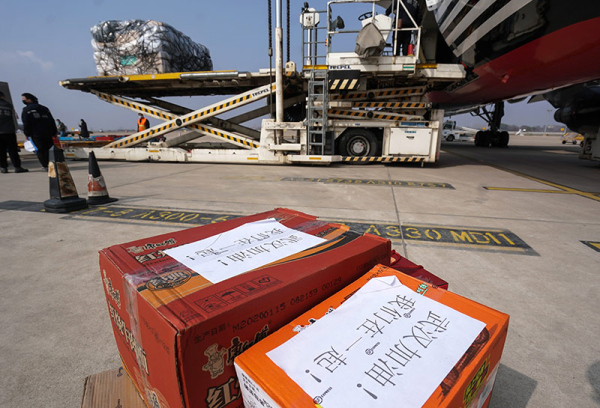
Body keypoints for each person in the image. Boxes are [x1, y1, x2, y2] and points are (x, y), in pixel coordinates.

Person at [21, 93, 57, 171]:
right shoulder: (44, 108)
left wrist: (27, 133)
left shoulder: (26, 110)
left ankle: (45, 166)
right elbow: (51, 120)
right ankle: (53, 164)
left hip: (36, 133)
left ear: (29, 99)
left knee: (41, 149)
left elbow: (26, 122)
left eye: (24, 99)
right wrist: (54, 132)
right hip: (48, 132)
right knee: (49, 149)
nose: (23, 100)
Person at [0, 91, 28, 173]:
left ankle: (3, 168)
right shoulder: (8, 105)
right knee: (13, 151)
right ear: (3, 96)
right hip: (9, 131)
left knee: (1, 151)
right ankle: (17, 167)